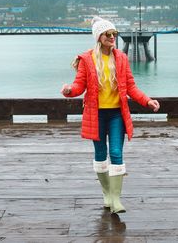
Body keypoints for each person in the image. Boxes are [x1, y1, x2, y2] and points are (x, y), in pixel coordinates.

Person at [61, 16, 160, 214]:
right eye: (108, 34)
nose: (113, 37)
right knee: (100, 155)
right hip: (95, 115)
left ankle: (116, 200)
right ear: (99, 36)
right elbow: (79, 85)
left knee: (116, 153)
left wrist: (147, 100)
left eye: (115, 33)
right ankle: (107, 193)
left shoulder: (121, 58)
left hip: (117, 114)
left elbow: (131, 86)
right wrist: (69, 90)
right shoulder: (87, 59)